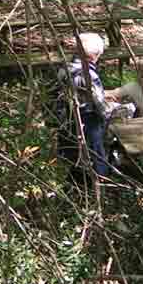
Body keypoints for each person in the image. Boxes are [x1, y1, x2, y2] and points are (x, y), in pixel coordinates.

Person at [56, 32, 110, 178]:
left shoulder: (64, 68)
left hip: (67, 120)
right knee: (97, 155)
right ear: (93, 55)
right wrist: (111, 113)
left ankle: (76, 187)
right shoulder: (89, 74)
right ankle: (101, 184)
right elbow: (101, 105)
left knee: (73, 156)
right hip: (88, 121)